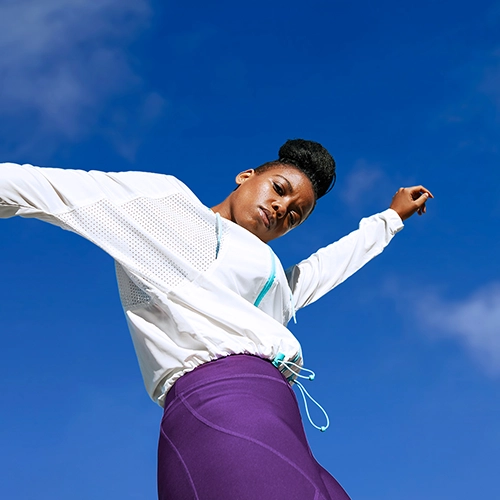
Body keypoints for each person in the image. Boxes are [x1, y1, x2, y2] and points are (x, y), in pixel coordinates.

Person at [0, 139, 432, 500]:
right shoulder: (169, 210)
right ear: (246, 176)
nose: (282, 209)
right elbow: (37, 187)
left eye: (295, 214)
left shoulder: (270, 284)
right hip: (222, 403)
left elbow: (321, 271)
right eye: (278, 190)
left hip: (279, 414)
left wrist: (389, 219)